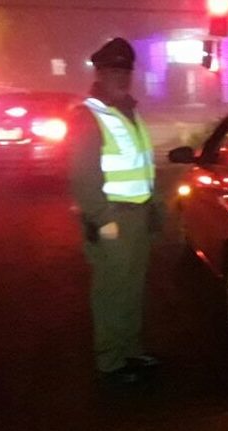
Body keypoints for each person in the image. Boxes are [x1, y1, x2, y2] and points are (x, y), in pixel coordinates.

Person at [68, 37, 162, 386]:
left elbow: (143, 164)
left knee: (132, 288)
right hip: (112, 217)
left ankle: (130, 350)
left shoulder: (129, 112)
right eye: (113, 72)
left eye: (125, 72)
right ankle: (110, 361)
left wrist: (154, 207)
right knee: (111, 291)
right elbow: (83, 176)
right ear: (99, 74)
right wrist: (103, 220)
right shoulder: (90, 115)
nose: (121, 78)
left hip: (137, 216)